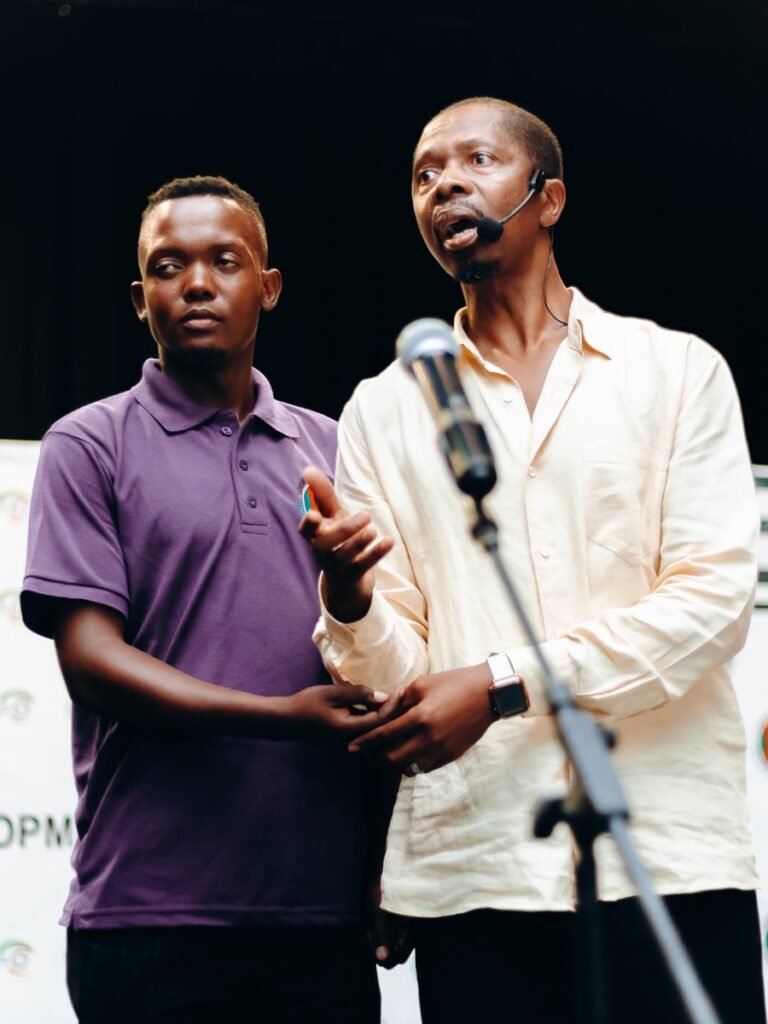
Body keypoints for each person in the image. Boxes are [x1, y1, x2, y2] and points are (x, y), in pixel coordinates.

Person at [299, 98, 767, 1023]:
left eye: (476, 160)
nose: (445, 185)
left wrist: (508, 680)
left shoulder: (677, 373)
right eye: (425, 173)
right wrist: (350, 598)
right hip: (481, 867)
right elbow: (398, 677)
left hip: (664, 855)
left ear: (547, 199)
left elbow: (713, 604)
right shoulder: (382, 411)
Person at [21, 175, 390, 1023]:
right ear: (138, 296)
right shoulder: (89, 443)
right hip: (149, 916)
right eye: (167, 265)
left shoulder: (335, 448)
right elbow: (92, 663)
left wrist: (385, 865)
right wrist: (284, 716)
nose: (194, 283)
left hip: (319, 918)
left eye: (224, 261)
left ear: (269, 288)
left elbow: (378, 661)